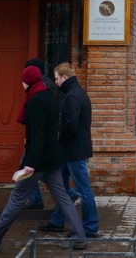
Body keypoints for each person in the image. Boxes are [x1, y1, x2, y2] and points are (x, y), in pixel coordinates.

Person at [0, 66, 88, 253]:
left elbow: (37, 135)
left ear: (28, 81)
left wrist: (30, 164)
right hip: (51, 157)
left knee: (17, 198)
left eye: (23, 80)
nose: (22, 83)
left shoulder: (35, 101)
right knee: (63, 197)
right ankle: (79, 236)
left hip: (38, 160)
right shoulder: (50, 97)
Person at [38, 62, 99, 240]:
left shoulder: (73, 96)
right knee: (61, 186)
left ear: (65, 77)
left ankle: (90, 227)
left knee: (83, 190)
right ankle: (58, 221)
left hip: (74, 150)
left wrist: (60, 142)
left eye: (57, 78)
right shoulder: (76, 93)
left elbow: (70, 125)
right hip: (71, 149)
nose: (55, 82)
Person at [22, 58, 55, 210]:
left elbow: (38, 127)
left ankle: (35, 199)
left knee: (27, 168)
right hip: (45, 142)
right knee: (50, 177)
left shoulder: (40, 88)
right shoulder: (45, 85)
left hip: (42, 142)